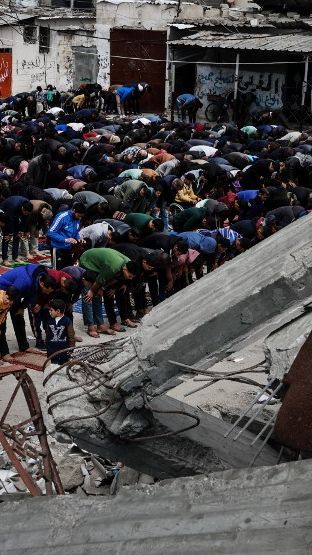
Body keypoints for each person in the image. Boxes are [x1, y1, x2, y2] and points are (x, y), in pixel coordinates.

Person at [47, 202, 86, 269]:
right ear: (73, 210)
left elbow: (75, 232)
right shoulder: (62, 217)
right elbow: (50, 232)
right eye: (79, 215)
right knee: (57, 270)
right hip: (57, 247)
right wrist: (65, 240)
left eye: (81, 216)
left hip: (68, 248)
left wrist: (79, 238)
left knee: (68, 268)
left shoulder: (77, 219)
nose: (80, 218)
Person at [46, 299, 75, 365]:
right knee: (54, 367)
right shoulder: (49, 320)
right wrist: (47, 346)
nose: (49, 312)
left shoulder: (67, 321)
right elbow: (47, 334)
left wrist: (71, 350)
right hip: (52, 351)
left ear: (58, 311)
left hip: (64, 352)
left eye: (51, 310)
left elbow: (71, 337)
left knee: (63, 368)